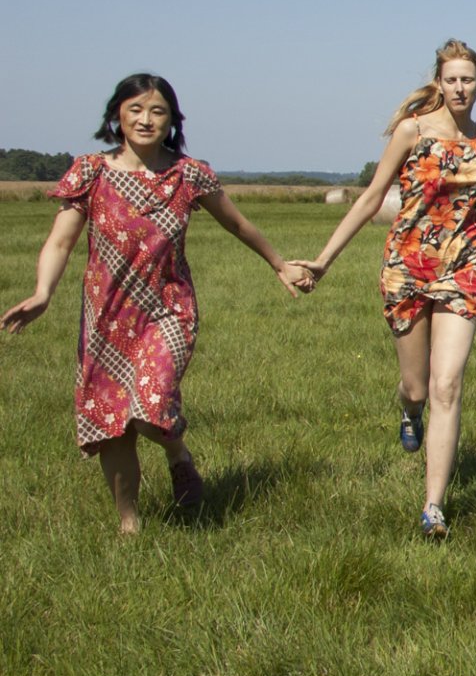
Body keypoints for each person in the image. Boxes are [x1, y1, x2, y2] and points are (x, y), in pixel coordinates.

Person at [2, 74, 312, 534]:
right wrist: (43, 291)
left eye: (158, 111)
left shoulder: (189, 175)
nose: (146, 120)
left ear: (172, 120)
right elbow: (60, 241)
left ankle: (176, 452)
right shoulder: (90, 172)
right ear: (117, 116)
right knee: (114, 425)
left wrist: (278, 264)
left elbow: (239, 225)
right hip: (105, 318)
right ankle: (130, 525)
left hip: (168, 311)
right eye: (136, 110)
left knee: (150, 409)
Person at [295, 40, 476, 539]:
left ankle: (433, 506)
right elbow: (372, 196)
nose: (460, 87)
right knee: (419, 387)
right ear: (439, 83)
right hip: (408, 266)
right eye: (452, 79)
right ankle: (407, 409)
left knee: (448, 385)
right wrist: (323, 261)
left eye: (469, 79)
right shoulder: (412, 131)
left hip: (465, 267)